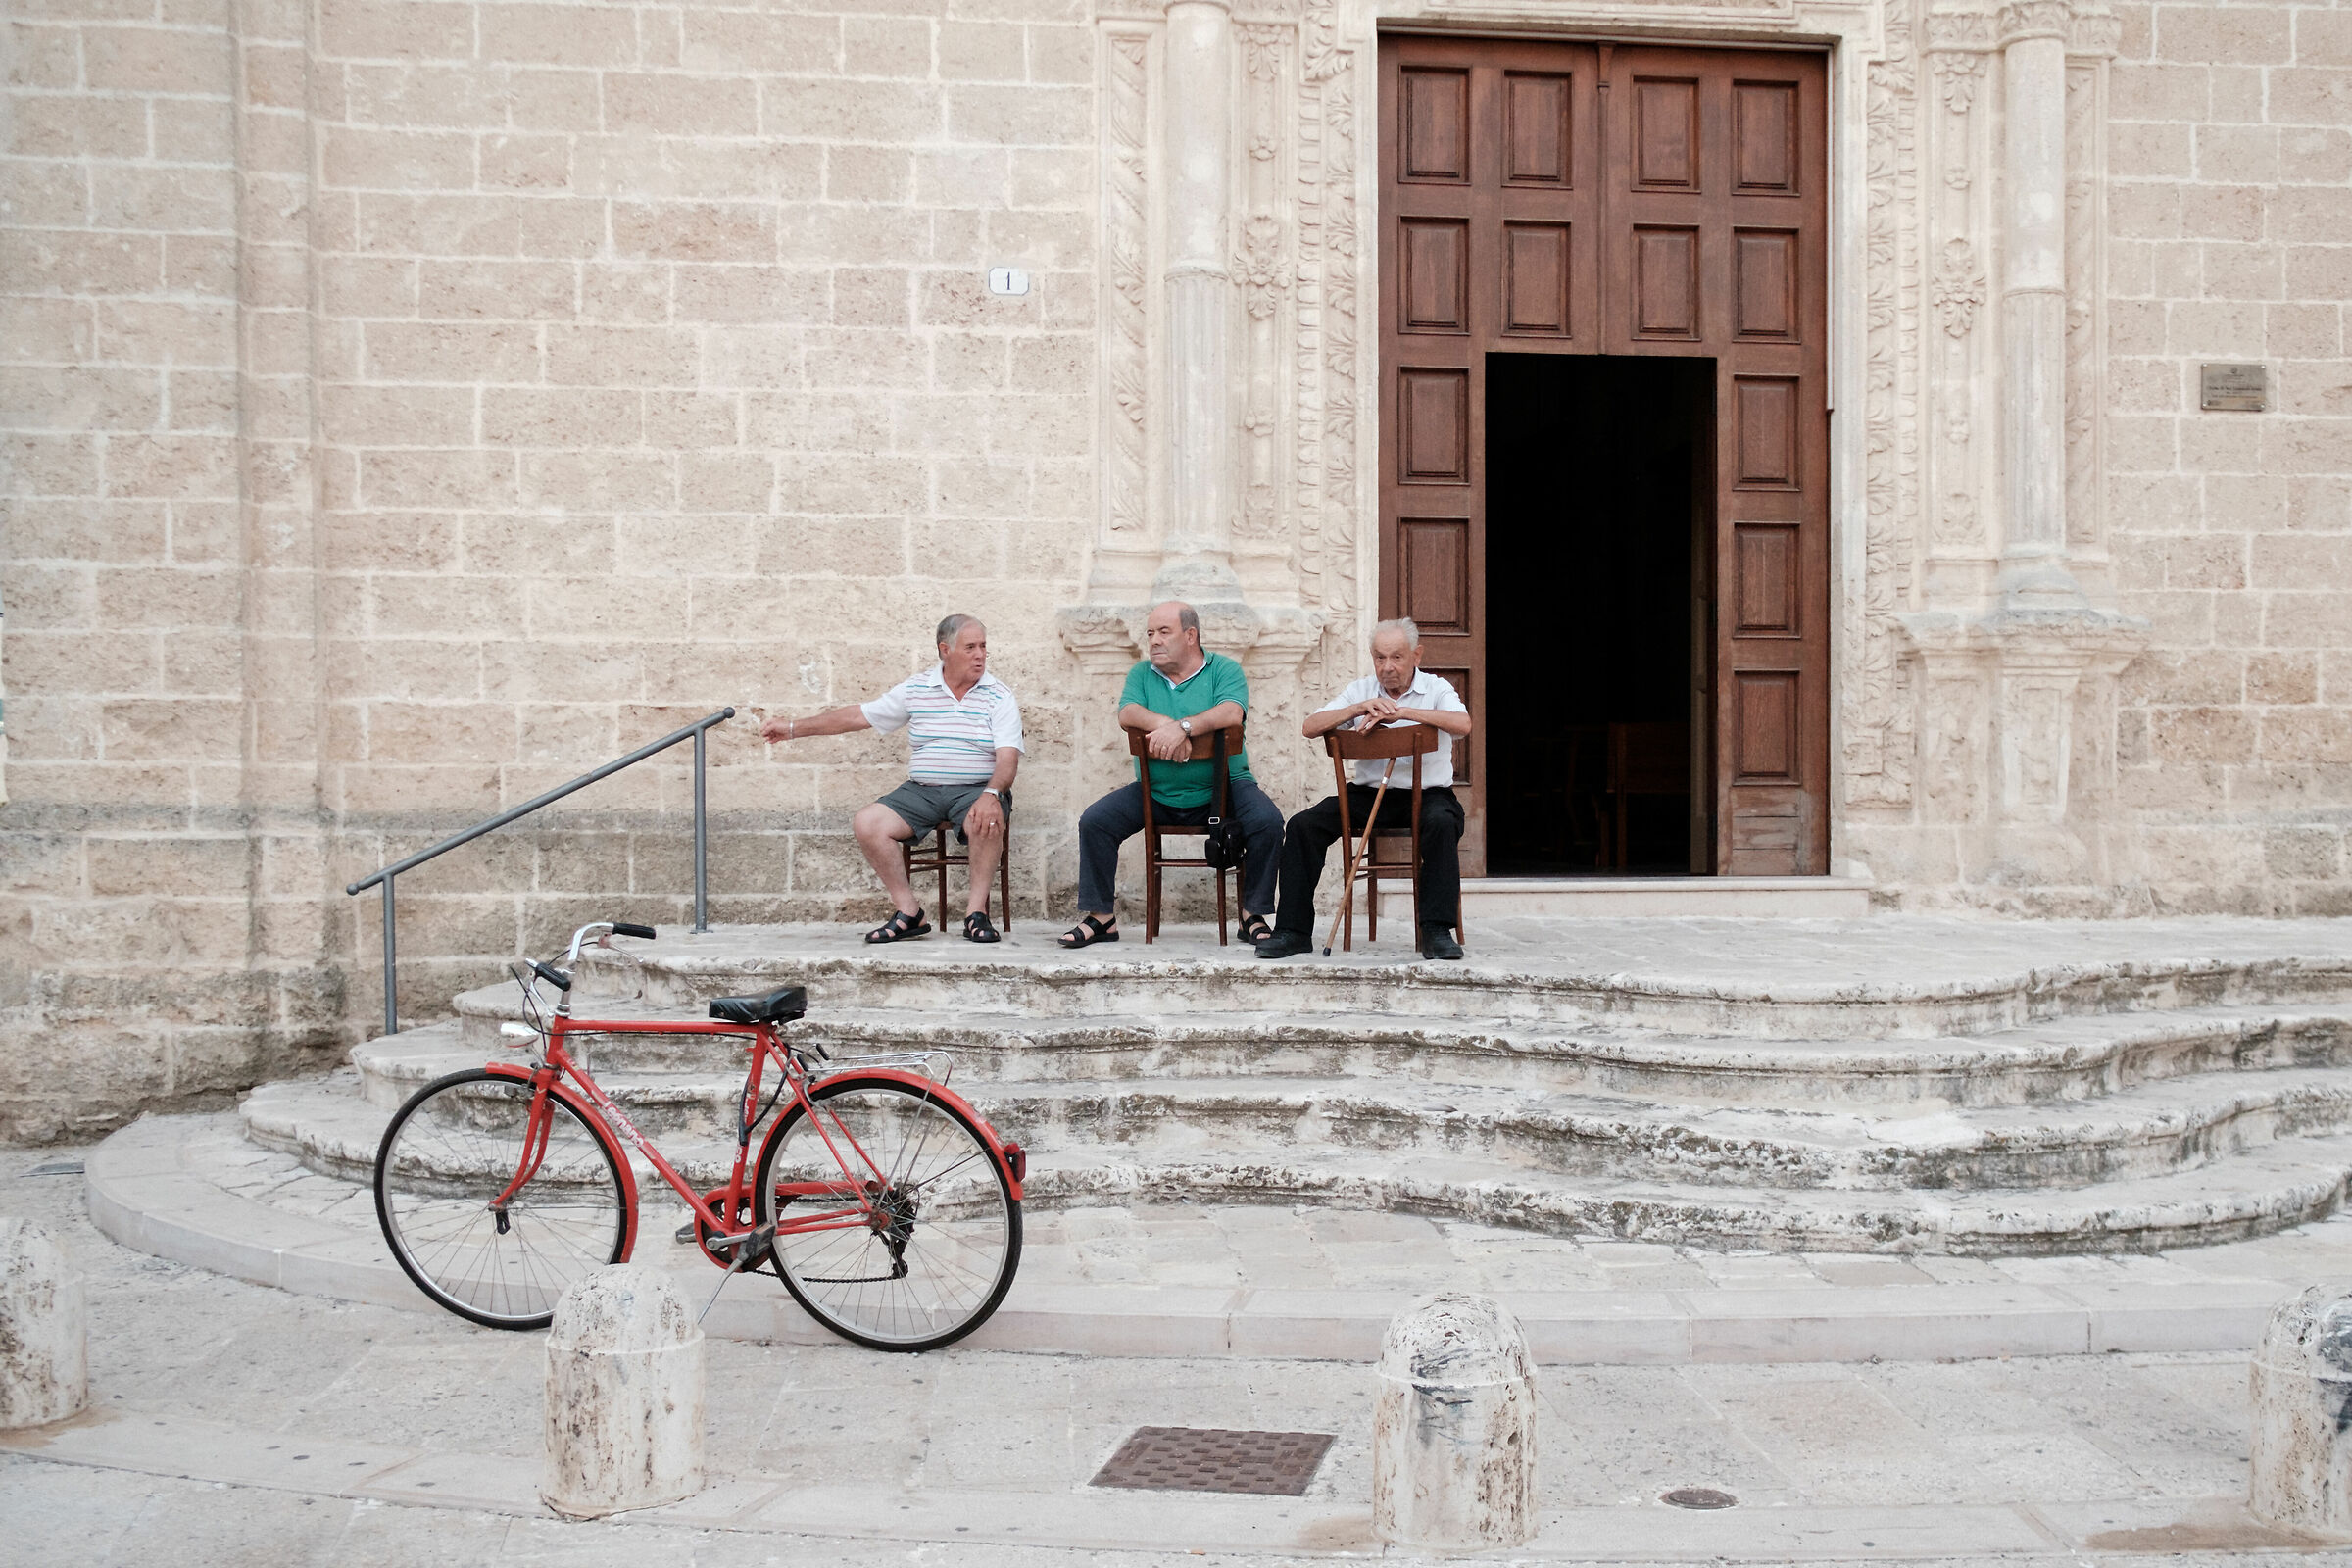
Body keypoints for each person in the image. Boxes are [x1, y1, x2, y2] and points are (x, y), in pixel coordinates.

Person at [760, 614, 1019, 944]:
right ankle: (909, 911)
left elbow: (1008, 760)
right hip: (921, 791)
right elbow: (859, 716)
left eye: (983, 646)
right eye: (970, 647)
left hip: (975, 790)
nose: (980, 654)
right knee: (868, 822)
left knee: (988, 817)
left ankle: (975, 914)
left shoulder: (999, 696)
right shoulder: (917, 688)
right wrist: (795, 728)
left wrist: (992, 793)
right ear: (945, 649)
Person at [1059, 601, 1285, 948]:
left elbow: (1231, 711)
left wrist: (1184, 727)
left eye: (1164, 632)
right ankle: (1101, 918)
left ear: (1190, 635)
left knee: (1268, 822)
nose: (1154, 641)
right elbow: (1127, 712)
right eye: (1150, 633)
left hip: (1224, 790)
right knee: (1095, 821)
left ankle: (1251, 914)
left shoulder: (1223, 669)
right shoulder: (1142, 674)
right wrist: (1164, 726)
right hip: (1157, 794)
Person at [1254, 618, 1472, 961]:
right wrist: (1359, 708)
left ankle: (1435, 931)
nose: (1387, 667)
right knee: (1302, 825)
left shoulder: (1437, 689)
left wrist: (1404, 713)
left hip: (1429, 795)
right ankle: (1292, 932)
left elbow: (1463, 724)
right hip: (1368, 795)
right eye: (1379, 657)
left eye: (1397, 657)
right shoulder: (1361, 689)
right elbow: (1310, 726)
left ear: (1416, 655)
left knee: (1442, 823)